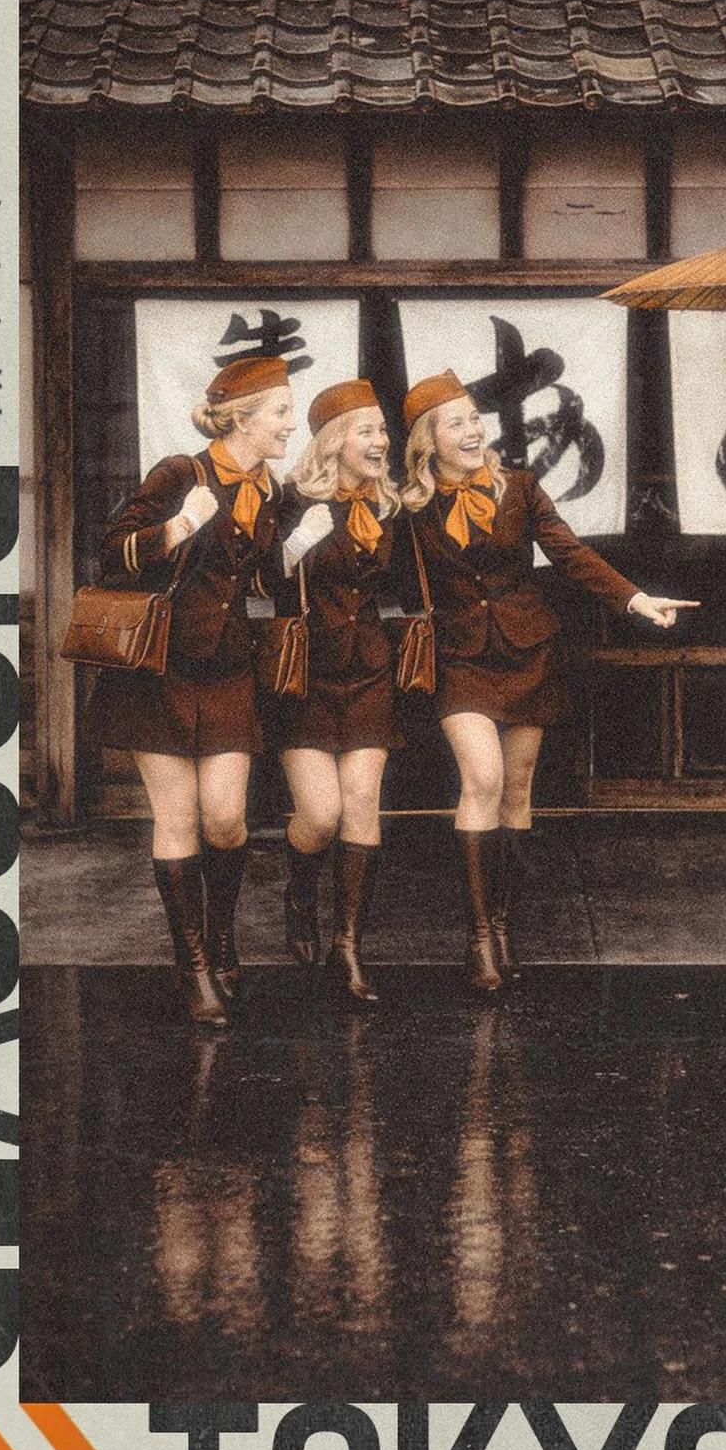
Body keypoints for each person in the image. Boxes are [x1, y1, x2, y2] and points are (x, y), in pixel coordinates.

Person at [400, 370, 697, 992]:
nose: (473, 431)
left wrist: (635, 599)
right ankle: (479, 938)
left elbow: (570, 553)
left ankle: (503, 923)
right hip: (459, 657)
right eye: (456, 423)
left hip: (527, 648)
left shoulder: (519, 488)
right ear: (428, 440)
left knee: (516, 790)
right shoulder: (407, 506)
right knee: (482, 779)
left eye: (474, 418)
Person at [90, 354, 293, 1026]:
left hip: (229, 668)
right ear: (243, 418)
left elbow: (256, 580)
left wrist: (293, 553)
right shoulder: (181, 473)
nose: (288, 425)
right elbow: (111, 549)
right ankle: (194, 965)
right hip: (161, 669)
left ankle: (223, 934)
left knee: (227, 819)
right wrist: (179, 525)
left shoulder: (269, 491)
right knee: (178, 820)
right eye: (280, 413)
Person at [273, 379, 403, 1006]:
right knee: (320, 816)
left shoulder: (389, 506)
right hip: (308, 676)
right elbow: (262, 580)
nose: (381, 441)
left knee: (362, 805)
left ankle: (348, 946)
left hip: (370, 673)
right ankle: (300, 889)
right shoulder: (291, 499)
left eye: (382, 430)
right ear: (333, 442)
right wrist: (298, 542)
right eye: (366, 431)